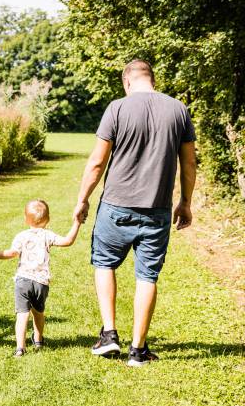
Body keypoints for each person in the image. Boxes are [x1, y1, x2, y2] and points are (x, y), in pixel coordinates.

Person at [74, 59, 197, 366]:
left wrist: (83, 199)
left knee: (104, 264)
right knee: (147, 276)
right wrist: (185, 202)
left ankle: (109, 335)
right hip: (157, 208)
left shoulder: (117, 108)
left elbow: (97, 163)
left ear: (126, 81)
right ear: (152, 79)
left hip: (116, 205)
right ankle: (138, 350)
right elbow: (189, 163)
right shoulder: (179, 110)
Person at [0, 200, 80, 357]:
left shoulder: (22, 236)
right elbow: (67, 241)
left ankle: (20, 348)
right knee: (38, 312)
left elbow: (11, 253)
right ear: (48, 219)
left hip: (23, 281)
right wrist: (77, 223)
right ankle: (38, 340)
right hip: (41, 283)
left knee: (22, 315)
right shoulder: (48, 235)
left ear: (25, 219)